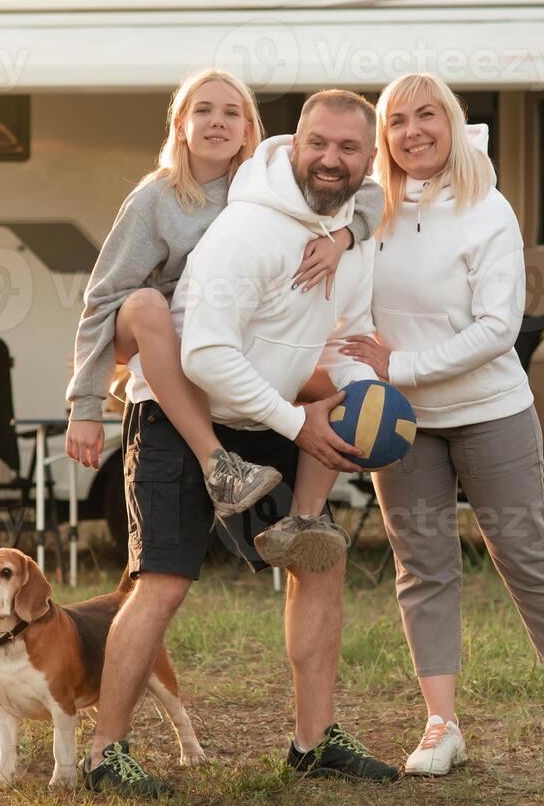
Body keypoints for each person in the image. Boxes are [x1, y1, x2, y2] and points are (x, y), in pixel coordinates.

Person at [81, 89, 402, 796]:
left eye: (349, 148)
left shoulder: (351, 237)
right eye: (318, 143)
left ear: (366, 159)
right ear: (292, 145)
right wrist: (300, 426)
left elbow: (345, 337)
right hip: (182, 414)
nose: (330, 158)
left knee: (318, 564)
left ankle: (312, 742)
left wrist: (356, 394)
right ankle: (105, 752)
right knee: (161, 582)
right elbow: (206, 358)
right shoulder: (246, 232)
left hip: (271, 411)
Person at [342, 72, 544, 775]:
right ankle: (440, 723)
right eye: (396, 120)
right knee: (421, 565)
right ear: (383, 136)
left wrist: (399, 366)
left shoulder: (487, 208)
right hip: (401, 424)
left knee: (524, 550)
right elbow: (347, 299)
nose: (412, 131)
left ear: (451, 124)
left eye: (426, 115)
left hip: (489, 409)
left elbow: (497, 329)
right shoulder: (369, 210)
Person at [64, 69, 380, 570]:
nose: (218, 122)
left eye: (232, 112)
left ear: (250, 126)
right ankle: (216, 463)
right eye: (204, 111)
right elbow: (102, 298)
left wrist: (343, 238)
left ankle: (304, 522)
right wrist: (85, 404)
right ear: (180, 125)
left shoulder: (259, 185)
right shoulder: (155, 199)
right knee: (147, 304)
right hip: (143, 331)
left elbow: (367, 192)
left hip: (206, 344)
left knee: (326, 388)